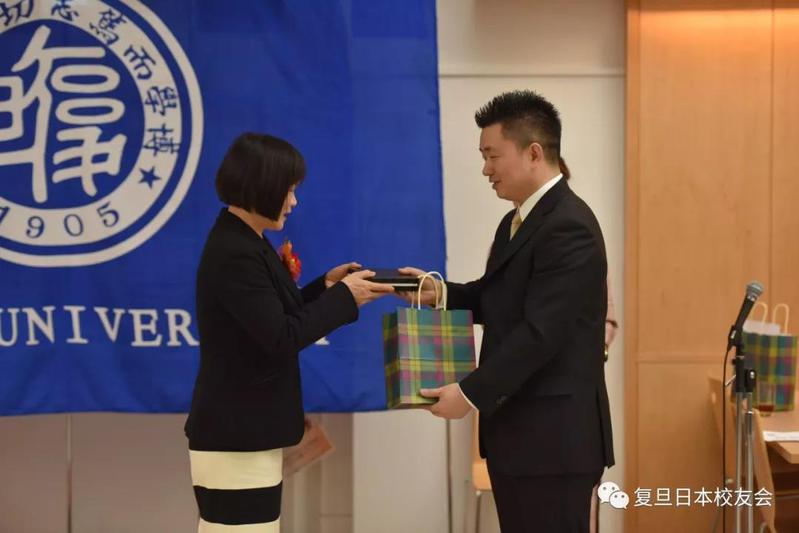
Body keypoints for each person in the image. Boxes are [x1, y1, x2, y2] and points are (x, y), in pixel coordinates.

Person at [401, 90, 614, 532]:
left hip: (554, 444)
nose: (485, 169)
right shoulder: (515, 221)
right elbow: (498, 299)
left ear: (533, 153)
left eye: (492, 155)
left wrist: (469, 394)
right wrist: (439, 294)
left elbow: (541, 334)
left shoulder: (569, 226)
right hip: (519, 438)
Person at [184, 132, 393, 532]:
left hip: (246, 436)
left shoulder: (247, 241)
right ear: (261, 185)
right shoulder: (235, 253)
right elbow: (281, 336)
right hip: (236, 436)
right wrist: (345, 298)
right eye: (289, 190)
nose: (293, 202)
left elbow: (273, 314)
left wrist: (326, 287)